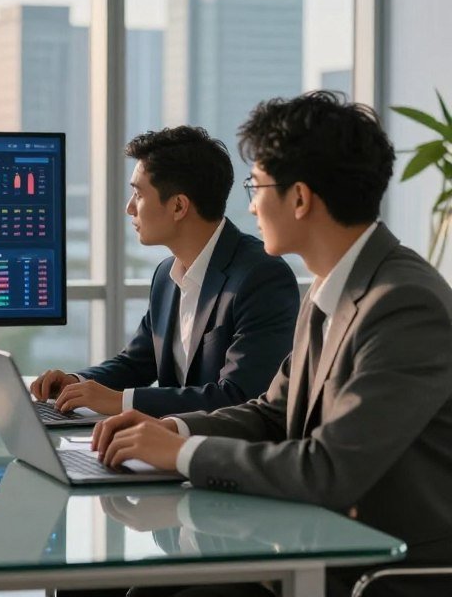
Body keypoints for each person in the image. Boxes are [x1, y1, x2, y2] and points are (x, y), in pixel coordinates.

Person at [92, 92, 452, 597]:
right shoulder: (332, 287)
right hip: (308, 542)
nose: (250, 204)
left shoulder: (404, 304)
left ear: (300, 199)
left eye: (256, 186)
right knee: (108, 584)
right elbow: (270, 412)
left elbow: (329, 469)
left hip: (374, 569)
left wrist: (182, 452)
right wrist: (165, 428)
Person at [31, 126, 298, 418]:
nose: (129, 208)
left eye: (138, 194)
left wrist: (121, 402)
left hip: (221, 455)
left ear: (178, 206)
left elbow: (239, 396)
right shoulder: (165, 276)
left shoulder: (261, 277)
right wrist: (76, 383)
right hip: (166, 446)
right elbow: (136, 363)